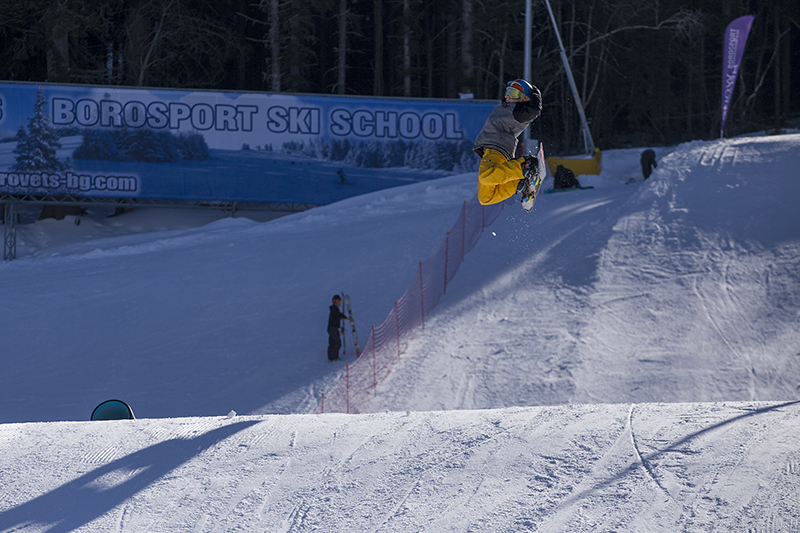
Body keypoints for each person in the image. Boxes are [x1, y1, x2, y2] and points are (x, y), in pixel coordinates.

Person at [473, 78, 542, 205]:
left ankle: (524, 166)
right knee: (485, 198)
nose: (509, 97)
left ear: (523, 99)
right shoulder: (509, 108)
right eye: (508, 92)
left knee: (485, 176)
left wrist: (535, 96)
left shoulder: (514, 110)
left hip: (496, 149)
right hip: (490, 152)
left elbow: (533, 111)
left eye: (514, 94)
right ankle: (519, 181)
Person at [327, 295, 351, 361]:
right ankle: (334, 357)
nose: (337, 302)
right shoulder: (334, 309)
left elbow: (336, 318)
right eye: (335, 301)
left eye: (338, 301)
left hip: (332, 328)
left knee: (332, 342)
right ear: (333, 302)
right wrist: (347, 318)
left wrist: (341, 326)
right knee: (337, 343)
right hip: (333, 329)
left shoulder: (334, 309)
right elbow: (338, 314)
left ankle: (331, 357)